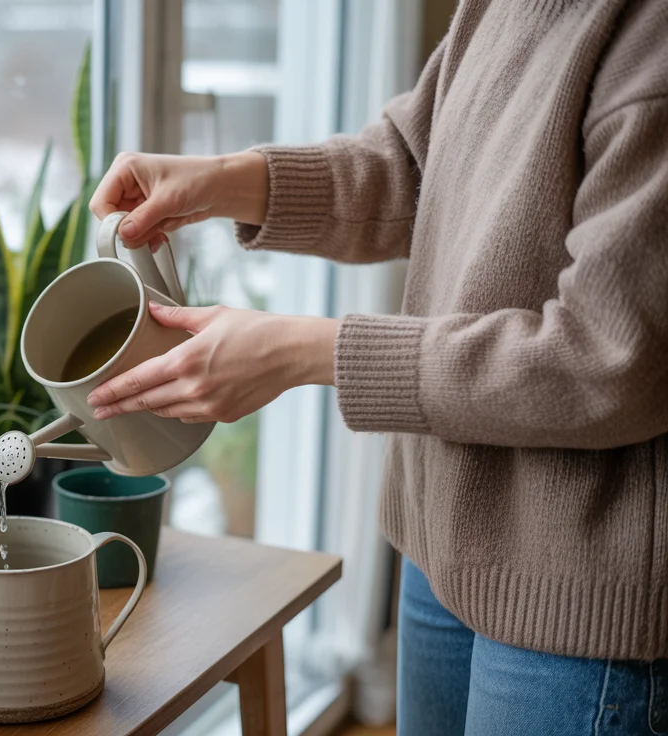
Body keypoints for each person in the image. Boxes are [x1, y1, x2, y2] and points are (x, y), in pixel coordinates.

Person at [86, 1, 668, 733]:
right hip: (443, 541)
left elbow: (606, 361)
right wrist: (222, 179)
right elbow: (418, 168)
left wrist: (307, 352)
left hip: (580, 602)